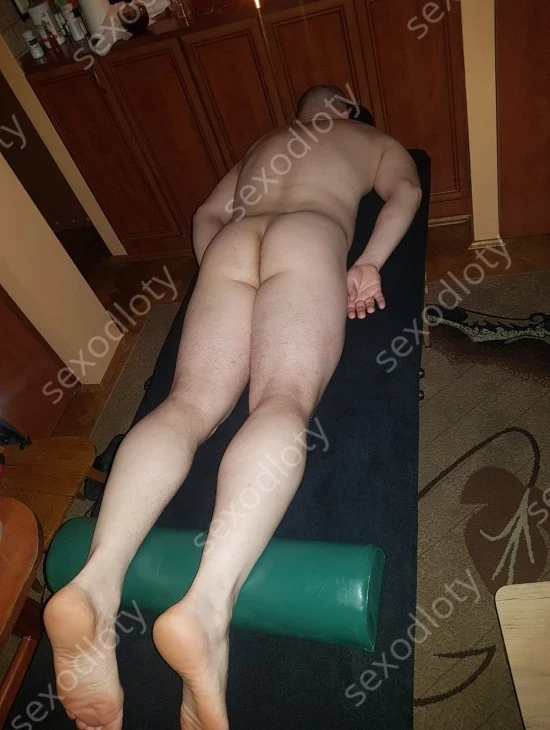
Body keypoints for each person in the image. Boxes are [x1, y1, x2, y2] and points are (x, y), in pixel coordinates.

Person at [44, 84, 422, 730]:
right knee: (281, 399)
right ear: (349, 107)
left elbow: (206, 213)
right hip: (310, 235)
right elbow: (406, 192)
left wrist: (219, 268)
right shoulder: (370, 139)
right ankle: (206, 608)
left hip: (234, 242)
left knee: (188, 403)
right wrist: (368, 264)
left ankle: (95, 583)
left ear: (300, 112)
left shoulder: (263, 145)